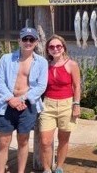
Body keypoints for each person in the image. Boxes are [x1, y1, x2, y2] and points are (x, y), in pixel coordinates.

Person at [0, 27, 48, 173]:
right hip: (6, 104)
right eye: (25, 39)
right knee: (3, 142)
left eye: (31, 39)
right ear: (19, 41)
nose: (28, 42)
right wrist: (11, 99)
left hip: (27, 106)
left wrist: (22, 99)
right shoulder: (6, 58)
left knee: (23, 141)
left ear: (36, 42)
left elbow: (41, 86)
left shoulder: (42, 62)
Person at [39, 34, 81, 173]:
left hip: (66, 105)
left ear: (63, 48)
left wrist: (76, 104)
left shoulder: (72, 64)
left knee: (63, 140)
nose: (55, 49)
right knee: (45, 141)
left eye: (58, 46)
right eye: (51, 46)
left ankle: (59, 167)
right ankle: (46, 168)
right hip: (48, 105)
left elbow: (77, 86)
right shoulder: (44, 65)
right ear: (48, 49)